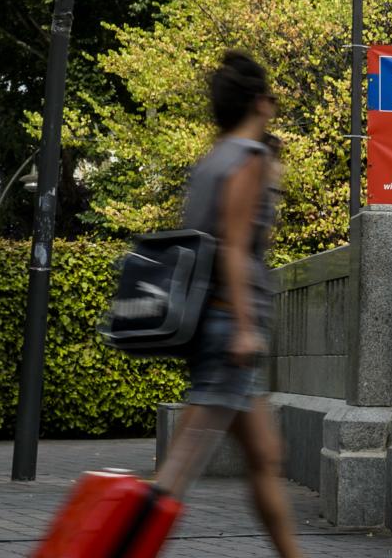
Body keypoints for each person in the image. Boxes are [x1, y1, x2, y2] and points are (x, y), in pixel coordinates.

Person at [156, 52, 301, 558]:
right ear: (261, 103)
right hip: (227, 326)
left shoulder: (213, 160)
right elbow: (235, 249)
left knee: (264, 456)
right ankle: (122, 542)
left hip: (208, 321)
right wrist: (243, 326)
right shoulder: (248, 159)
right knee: (177, 472)